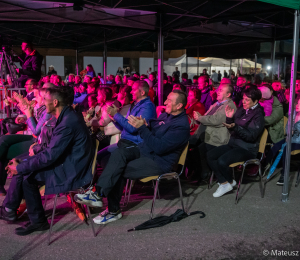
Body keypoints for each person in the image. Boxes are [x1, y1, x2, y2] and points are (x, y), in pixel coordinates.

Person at [74, 90, 190, 224]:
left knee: (118, 168)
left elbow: (160, 147)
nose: (165, 102)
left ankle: (111, 208)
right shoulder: (166, 115)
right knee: (116, 155)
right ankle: (98, 195)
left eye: (169, 100)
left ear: (179, 105)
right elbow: (155, 125)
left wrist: (143, 128)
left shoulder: (181, 126)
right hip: (145, 151)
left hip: (159, 162)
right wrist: (146, 124)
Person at [0, 86, 95, 235]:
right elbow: (50, 151)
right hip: (68, 163)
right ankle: (34, 220)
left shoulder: (67, 123)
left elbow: (49, 156)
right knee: (26, 174)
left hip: (72, 171)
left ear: (55, 102)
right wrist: (23, 163)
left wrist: (20, 167)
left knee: (27, 177)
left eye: (45, 99)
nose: (42, 102)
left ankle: (36, 221)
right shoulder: (66, 116)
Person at [206, 87, 265, 198]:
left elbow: (251, 136)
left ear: (256, 101)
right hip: (234, 144)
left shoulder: (258, 115)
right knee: (210, 155)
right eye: (243, 98)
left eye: (247, 100)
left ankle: (226, 182)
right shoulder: (242, 110)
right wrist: (229, 119)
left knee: (222, 161)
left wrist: (235, 127)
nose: (243, 101)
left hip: (247, 148)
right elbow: (232, 127)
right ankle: (226, 182)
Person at [93, 81, 156, 174]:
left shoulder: (147, 107)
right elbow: (124, 127)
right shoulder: (135, 106)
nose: (131, 92)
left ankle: (115, 179)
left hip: (134, 144)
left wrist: (116, 115)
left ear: (142, 92)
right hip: (125, 141)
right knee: (99, 156)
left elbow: (132, 128)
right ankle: (113, 179)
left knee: (107, 159)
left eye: (134, 90)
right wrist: (114, 118)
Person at [187, 84, 236, 181]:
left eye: (221, 90)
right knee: (187, 147)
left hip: (218, 139)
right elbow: (206, 117)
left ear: (228, 94)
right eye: (218, 89)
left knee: (197, 150)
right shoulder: (216, 104)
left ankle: (203, 173)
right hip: (207, 135)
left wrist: (200, 118)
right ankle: (198, 172)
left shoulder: (229, 106)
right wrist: (199, 118)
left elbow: (216, 120)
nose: (217, 91)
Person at [264, 99, 300, 185]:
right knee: (276, 146)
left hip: (298, 141)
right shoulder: (293, 114)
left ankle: (284, 175)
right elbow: (287, 126)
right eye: (298, 103)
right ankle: (264, 166)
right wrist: (289, 132)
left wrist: (294, 129)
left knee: (286, 149)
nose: (297, 105)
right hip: (290, 138)